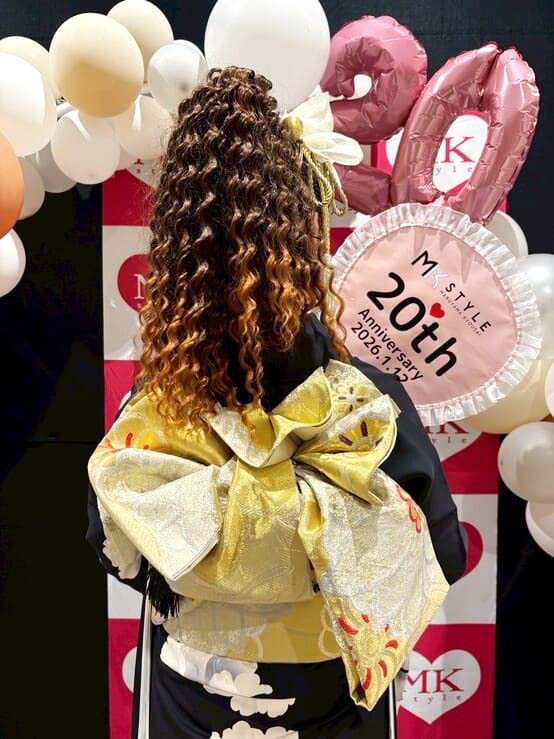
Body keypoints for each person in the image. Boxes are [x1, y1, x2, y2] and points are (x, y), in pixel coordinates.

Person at [87, 66, 467, 739]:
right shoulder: (366, 410)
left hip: (194, 704)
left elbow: (115, 549)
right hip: (331, 705)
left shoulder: (155, 413)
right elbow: (443, 551)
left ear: (175, 251)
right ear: (302, 239)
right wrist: (316, 549)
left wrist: (220, 555)